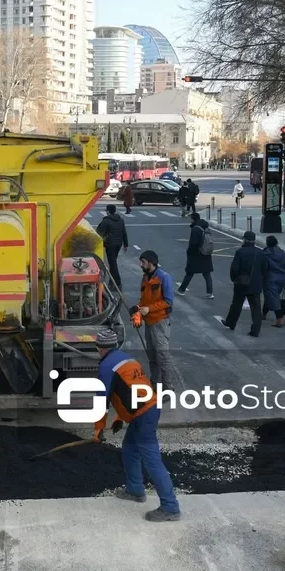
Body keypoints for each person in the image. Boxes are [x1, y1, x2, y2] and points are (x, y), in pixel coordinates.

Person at [92, 328, 181, 522]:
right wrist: (119, 418)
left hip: (144, 415)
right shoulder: (126, 359)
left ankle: (170, 507)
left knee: (152, 460)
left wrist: (98, 429)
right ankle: (135, 490)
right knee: (130, 450)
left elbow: (102, 399)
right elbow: (128, 392)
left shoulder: (107, 366)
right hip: (148, 408)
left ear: (99, 348)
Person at [136, 250, 183, 391]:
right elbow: (143, 300)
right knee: (152, 356)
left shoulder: (164, 278)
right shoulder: (145, 278)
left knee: (162, 356)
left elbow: (168, 301)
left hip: (160, 323)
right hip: (148, 323)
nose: (141, 264)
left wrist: (149, 309)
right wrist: (137, 308)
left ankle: (168, 388)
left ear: (151, 263)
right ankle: (155, 384)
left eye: (143, 262)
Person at [222, 231, 263, 336]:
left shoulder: (240, 252)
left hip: (241, 283)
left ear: (244, 239)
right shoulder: (260, 253)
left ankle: (231, 323)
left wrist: (234, 278)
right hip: (255, 284)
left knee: (236, 304)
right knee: (256, 308)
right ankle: (256, 330)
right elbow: (264, 268)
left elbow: (234, 268)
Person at [178, 213, 214, 299]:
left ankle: (182, 290)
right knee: (207, 273)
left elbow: (193, 244)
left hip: (196, 255)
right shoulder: (206, 227)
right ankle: (210, 292)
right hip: (206, 253)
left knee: (189, 272)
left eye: (191, 218)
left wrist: (189, 253)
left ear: (193, 219)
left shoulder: (195, 229)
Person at [259, 235, 285, 328]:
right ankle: (263, 314)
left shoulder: (265, 254)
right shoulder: (282, 253)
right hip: (281, 279)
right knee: (270, 297)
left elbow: (263, 268)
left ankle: (279, 319)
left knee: (273, 299)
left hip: (270, 279)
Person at [96, 204, 129, 291]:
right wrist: (126, 244)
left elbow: (98, 231)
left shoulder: (106, 221)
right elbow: (124, 232)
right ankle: (112, 282)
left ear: (108, 211)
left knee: (112, 263)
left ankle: (118, 283)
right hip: (118, 244)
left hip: (110, 245)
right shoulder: (120, 220)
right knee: (112, 263)